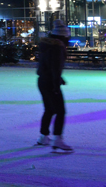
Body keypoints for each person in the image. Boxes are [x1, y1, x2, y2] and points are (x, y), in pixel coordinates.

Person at [35, 19, 73, 153]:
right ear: (63, 36)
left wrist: (58, 78)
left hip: (42, 80)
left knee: (49, 110)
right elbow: (55, 67)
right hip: (50, 82)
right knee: (60, 111)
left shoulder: (48, 46)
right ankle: (57, 139)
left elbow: (49, 65)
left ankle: (43, 137)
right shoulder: (58, 47)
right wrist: (57, 82)